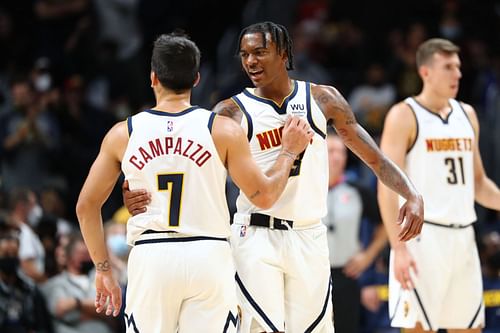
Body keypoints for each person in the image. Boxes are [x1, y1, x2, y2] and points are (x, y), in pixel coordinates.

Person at [124, 21, 424, 333]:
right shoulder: (231, 112)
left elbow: (374, 157)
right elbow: (188, 170)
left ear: (283, 53)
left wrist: (411, 194)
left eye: (259, 52)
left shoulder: (323, 100)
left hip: (309, 235)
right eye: (244, 54)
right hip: (255, 236)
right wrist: (140, 193)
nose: (250, 61)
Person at [75, 32, 313, 333]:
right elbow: (264, 197)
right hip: (208, 255)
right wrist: (289, 151)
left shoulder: (124, 133)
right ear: (197, 79)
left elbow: (86, 206)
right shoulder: (222, 130)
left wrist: (103, 269)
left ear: (153, 78)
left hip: (152, 256)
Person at [378, 38, 500, 333]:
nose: (457, 74)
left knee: (471, 328)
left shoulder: (467, 115)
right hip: (422, 238)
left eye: (458, 67)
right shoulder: (403, 115)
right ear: (425, 71)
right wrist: (399, 249)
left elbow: (479, 184)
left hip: (462, 238)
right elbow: (386, 188)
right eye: (448, 67)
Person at [325, 132, 387, 333]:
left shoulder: (357, 190)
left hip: (346, 275)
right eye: (331, 151)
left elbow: (385, 224)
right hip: (312, 274)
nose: (337, 157)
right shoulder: (303, 189)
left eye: (341, 152)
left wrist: (368, 256)